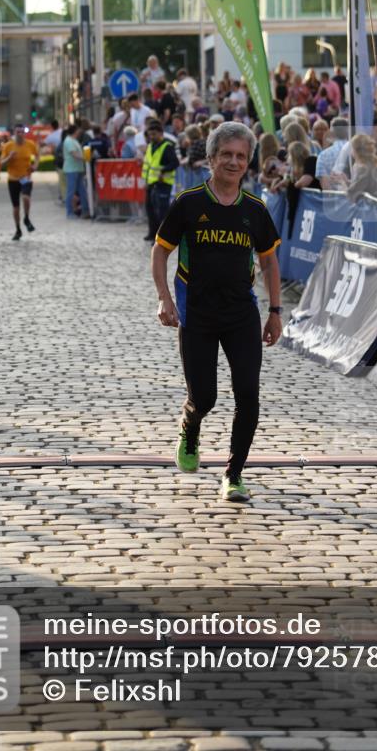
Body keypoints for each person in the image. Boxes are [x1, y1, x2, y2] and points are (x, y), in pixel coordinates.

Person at [151, 121, 282, 503]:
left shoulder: (255, 210)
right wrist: (164, 298)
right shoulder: (189, 203)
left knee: (248, 395)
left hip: (242, 314)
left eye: (241, 156)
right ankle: (190, 427)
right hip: (198, 315)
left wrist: (275, 311)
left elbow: (270, 262)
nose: (233, 162)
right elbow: (160, 251)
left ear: (249, 163)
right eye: (226, 154)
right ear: (210, 159)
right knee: (204, 397)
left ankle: (234, 474)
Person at [142, 120, 179, 243]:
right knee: (150, 210)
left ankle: (162, 237)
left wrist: (163, 170)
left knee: (162, 212)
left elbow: (175, 163)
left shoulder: (167, 146)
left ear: (161, 133)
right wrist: (145, 181)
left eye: (154, 134)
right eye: (150, 134)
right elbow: (147, 165)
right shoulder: (150, 146)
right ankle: (152, 233)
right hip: (151, 183)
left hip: (163, 183)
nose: (151, 137)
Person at [1, 123, 40, 240]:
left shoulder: (30, 144)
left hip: (26, 177)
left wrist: (35, 166)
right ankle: (18, 229)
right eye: (18, 132)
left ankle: (26, 218)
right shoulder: (8, 146)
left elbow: (37, 155)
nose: (20, 134)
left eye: (22, 132)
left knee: (26, 197)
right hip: (13, 179)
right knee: (16, 207)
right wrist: (9, 157)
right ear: (14, 133)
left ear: (24, 133)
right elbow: (1, 163)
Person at [63, 123, 89, 219]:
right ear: (75, 131)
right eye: (78, 131)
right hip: (71, 169)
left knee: (82, 190)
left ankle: (85, 210)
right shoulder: (69, 141)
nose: (79, 133)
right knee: (71, 191)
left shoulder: (74, 140)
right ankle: (69, 212)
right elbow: (74, 154)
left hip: (77, 168)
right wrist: (85, 158)